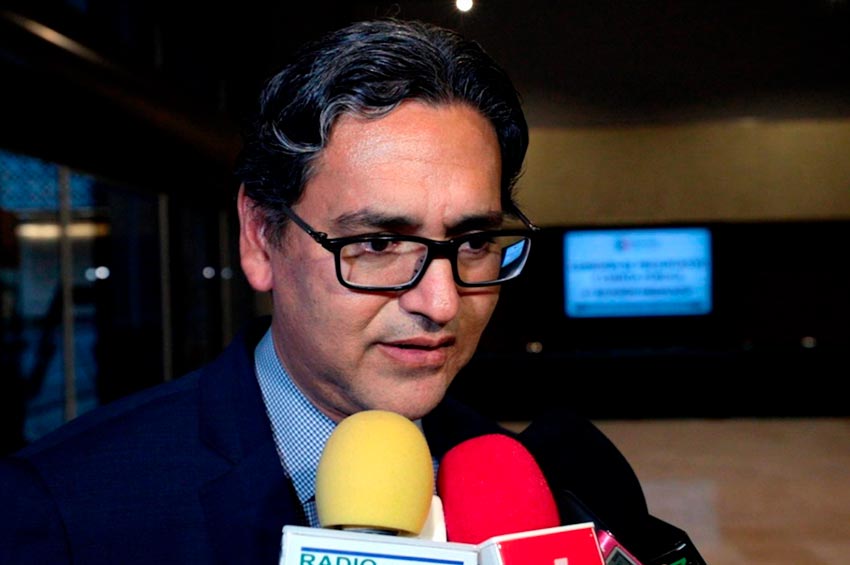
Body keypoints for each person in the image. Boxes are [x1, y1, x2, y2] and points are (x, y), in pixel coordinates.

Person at [0, 18, 677, 564]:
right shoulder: (65, 510)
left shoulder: (539, 488)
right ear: (261, 237)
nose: (441, 303)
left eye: (473, 241)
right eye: (378, 244)